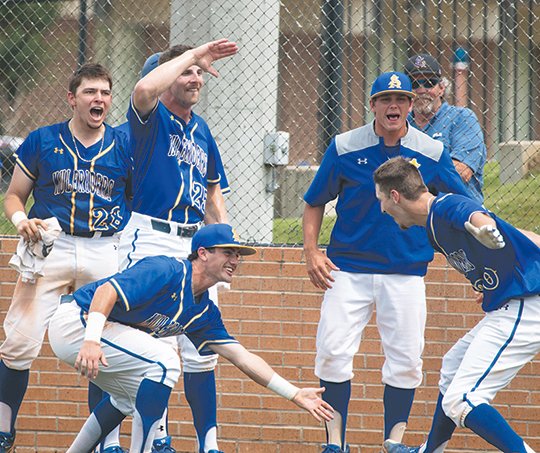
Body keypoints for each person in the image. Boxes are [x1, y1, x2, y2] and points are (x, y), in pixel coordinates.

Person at [48, 223, 334, 453]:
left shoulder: (204, 311)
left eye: (238, 255)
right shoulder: (166, 270)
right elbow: (105, 292)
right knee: (165, 363)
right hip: (77, 322)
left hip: (95, 331)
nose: (235, 260)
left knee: (125, 398)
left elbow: (242, 357)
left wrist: (294, 393)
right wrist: (91, 340)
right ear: (203, 253)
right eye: (228, 252)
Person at [302, 71, 471, 453]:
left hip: (406, 271)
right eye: (385, 99)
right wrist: (312, 252)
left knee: (407, 360)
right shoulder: (345, 146)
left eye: (400, 99)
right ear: (373, 105)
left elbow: (460, 205)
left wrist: (476, 265)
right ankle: (335, 443)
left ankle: (393, 443)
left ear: (411, 105)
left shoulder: (430, 152)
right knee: (332, 353)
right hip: (348, 270)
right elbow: (314, 202)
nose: (393, 106)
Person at [94, 39, 238, 453]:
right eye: (184, 70)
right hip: (151, 235)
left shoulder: (202, 129)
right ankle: (145, 440)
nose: (194, 77)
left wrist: (223, 246)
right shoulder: (149, 119)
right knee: (150, 347)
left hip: (196, 244)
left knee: (201, 349)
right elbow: (142, 92)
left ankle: (209, 445)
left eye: (197, 71)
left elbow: (213, 194)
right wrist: (191, 56)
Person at [0, 63, 132, 452]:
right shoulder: (43, 140)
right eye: (90, 92)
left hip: (103, 246)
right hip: (50, 244)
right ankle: (4, 427)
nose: (99, 99)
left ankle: (109, 441)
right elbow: (13, 196)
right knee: (19, 341)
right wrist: (21, 220)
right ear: (72, 99)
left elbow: (136, 203)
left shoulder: (124, 145)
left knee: (106, 347)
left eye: (105, 93)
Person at [372, 156, 540, 453]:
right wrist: (494, 278)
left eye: (381, 199)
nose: (382, 208)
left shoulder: (444, 206)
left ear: (395, 196)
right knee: (452, 365)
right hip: (512, 302)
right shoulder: (432, 227)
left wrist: (485, 228)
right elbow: (520, 237)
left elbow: (472, 213)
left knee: (462, 399)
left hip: (526, 305)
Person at [404, 53, 487, 204]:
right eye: (414, 84)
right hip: (412, 214)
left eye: (429, 82)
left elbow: (461, 172)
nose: (421, 89)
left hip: (458, 209)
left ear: (442, 88)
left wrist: (405, 177)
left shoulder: (462, 118)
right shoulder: (402, 124)